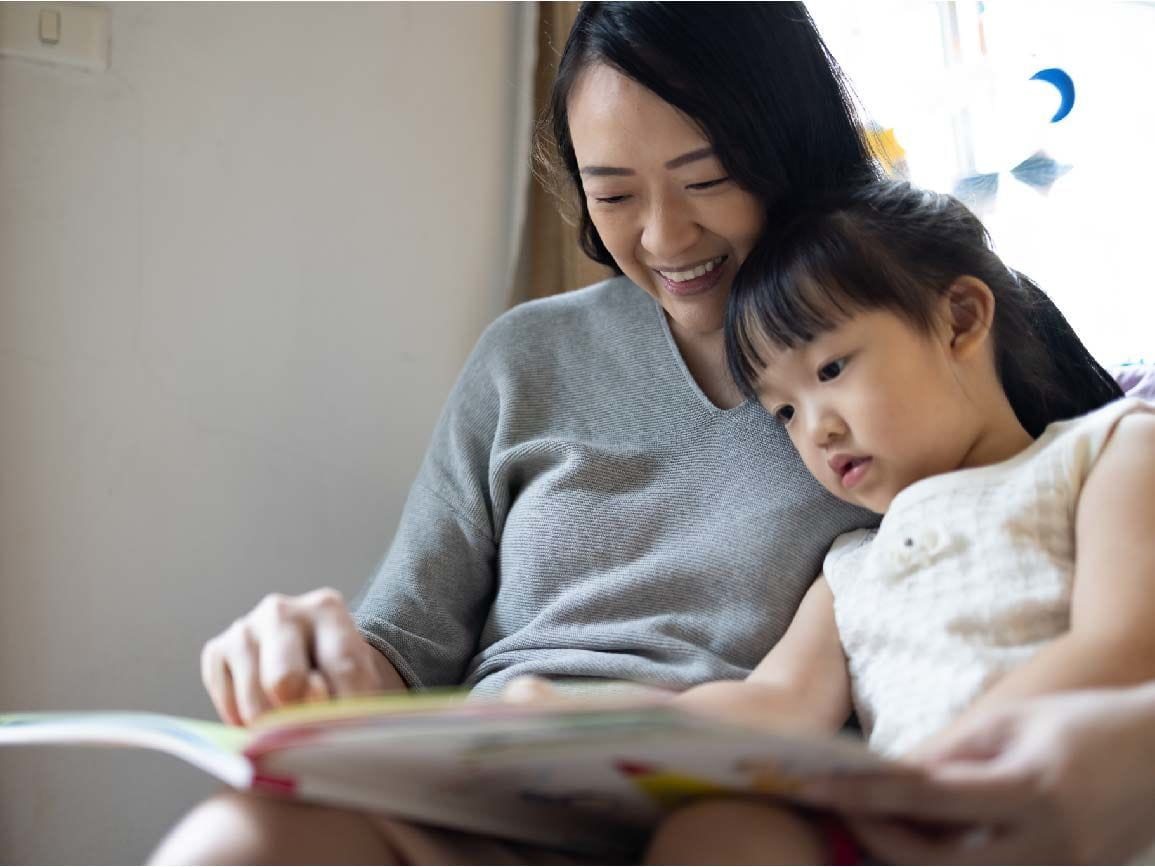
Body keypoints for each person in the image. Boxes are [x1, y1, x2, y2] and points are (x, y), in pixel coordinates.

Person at [150, 4, 884, 863]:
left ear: (784, 143)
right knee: (235, 841)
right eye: (612, 193)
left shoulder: (895, 347)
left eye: (706, 178)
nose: (661, 237)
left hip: (733, 796)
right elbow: (404, 640)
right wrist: (314, 660)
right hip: (492, 786)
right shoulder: (528, 353)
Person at [640, 180, 1154, 864]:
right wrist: (596, 726)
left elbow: (1123, 647)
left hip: (1070, 806)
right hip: (904, 833)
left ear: (960, 319)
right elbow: (778, 700)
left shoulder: (1107, 450)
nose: (815, 429)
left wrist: (927, 776)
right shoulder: (849, 566)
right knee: (715, 835)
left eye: (830, 367)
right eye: (784, 412)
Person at [793, 682, 1155, 864]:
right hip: (901, 814)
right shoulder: (844, 565)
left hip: (1047, 775)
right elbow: (789, 693)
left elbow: (1119, 638)